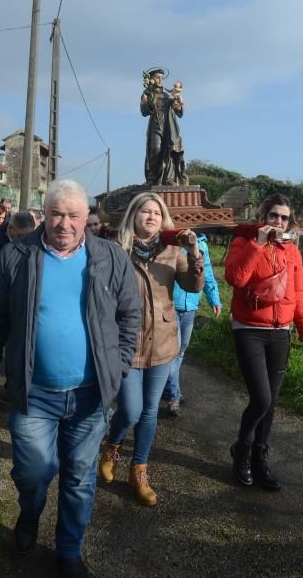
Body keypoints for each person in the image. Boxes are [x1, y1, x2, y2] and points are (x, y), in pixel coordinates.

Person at [0, 179, 141, 577]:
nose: (64, 223)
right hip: (34, 395)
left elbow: (130, 316)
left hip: (89, 396)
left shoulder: (110, 258)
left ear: (86, 219)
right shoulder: (16, 257)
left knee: (80, 478)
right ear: (43, 215)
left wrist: (117, 368)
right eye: (56, 213)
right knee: (33, 472)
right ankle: (29, 512)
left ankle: (68, 550)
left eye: (73, 215)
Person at [99, 192, 204, 506]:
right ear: (134, 215)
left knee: (148, 412)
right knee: (129, 409)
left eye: (157, 213)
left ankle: (139, 470)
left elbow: (192, 286)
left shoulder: (174, 250)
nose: (151, 216)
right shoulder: (117, 249)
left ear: (164, 219)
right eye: (145, 211)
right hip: (128, 342)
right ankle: (112, 445)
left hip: (163, 340)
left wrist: (194, 251)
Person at [225, 193, 303, 491]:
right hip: (249, 329)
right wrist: (259, 244)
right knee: (261, 398)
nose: (278, 221)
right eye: (273, 215)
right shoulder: (245, 243)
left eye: (284, 217)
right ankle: (242, 448)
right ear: (263, 217)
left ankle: (259, 457)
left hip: (281, 332)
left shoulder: (292, 252)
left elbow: (298, 295)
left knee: (272, 402)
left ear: (290, 222)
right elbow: (236, 278)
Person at [162, 234, 222, 416]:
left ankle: (171, 388)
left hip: (190, 308)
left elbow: (207, 272)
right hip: (170, 306)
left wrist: (215, 299)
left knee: (180, 352)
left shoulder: (201, 243)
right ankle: (173, 396)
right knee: (172, 353)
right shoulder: (169, 241)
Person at [140, 68, 188, 186]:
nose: (160, 79)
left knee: (169, 150)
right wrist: (148, 101)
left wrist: (178, 104)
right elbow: (144, 112)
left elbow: (180, 113)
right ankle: (152, 177)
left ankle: (169, 178)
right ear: (151, 79)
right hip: (155, 126)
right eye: (157, 77)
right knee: (155, 149)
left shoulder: (168, 95)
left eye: (162, 77)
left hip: (168, 127)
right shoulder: (147, 94)